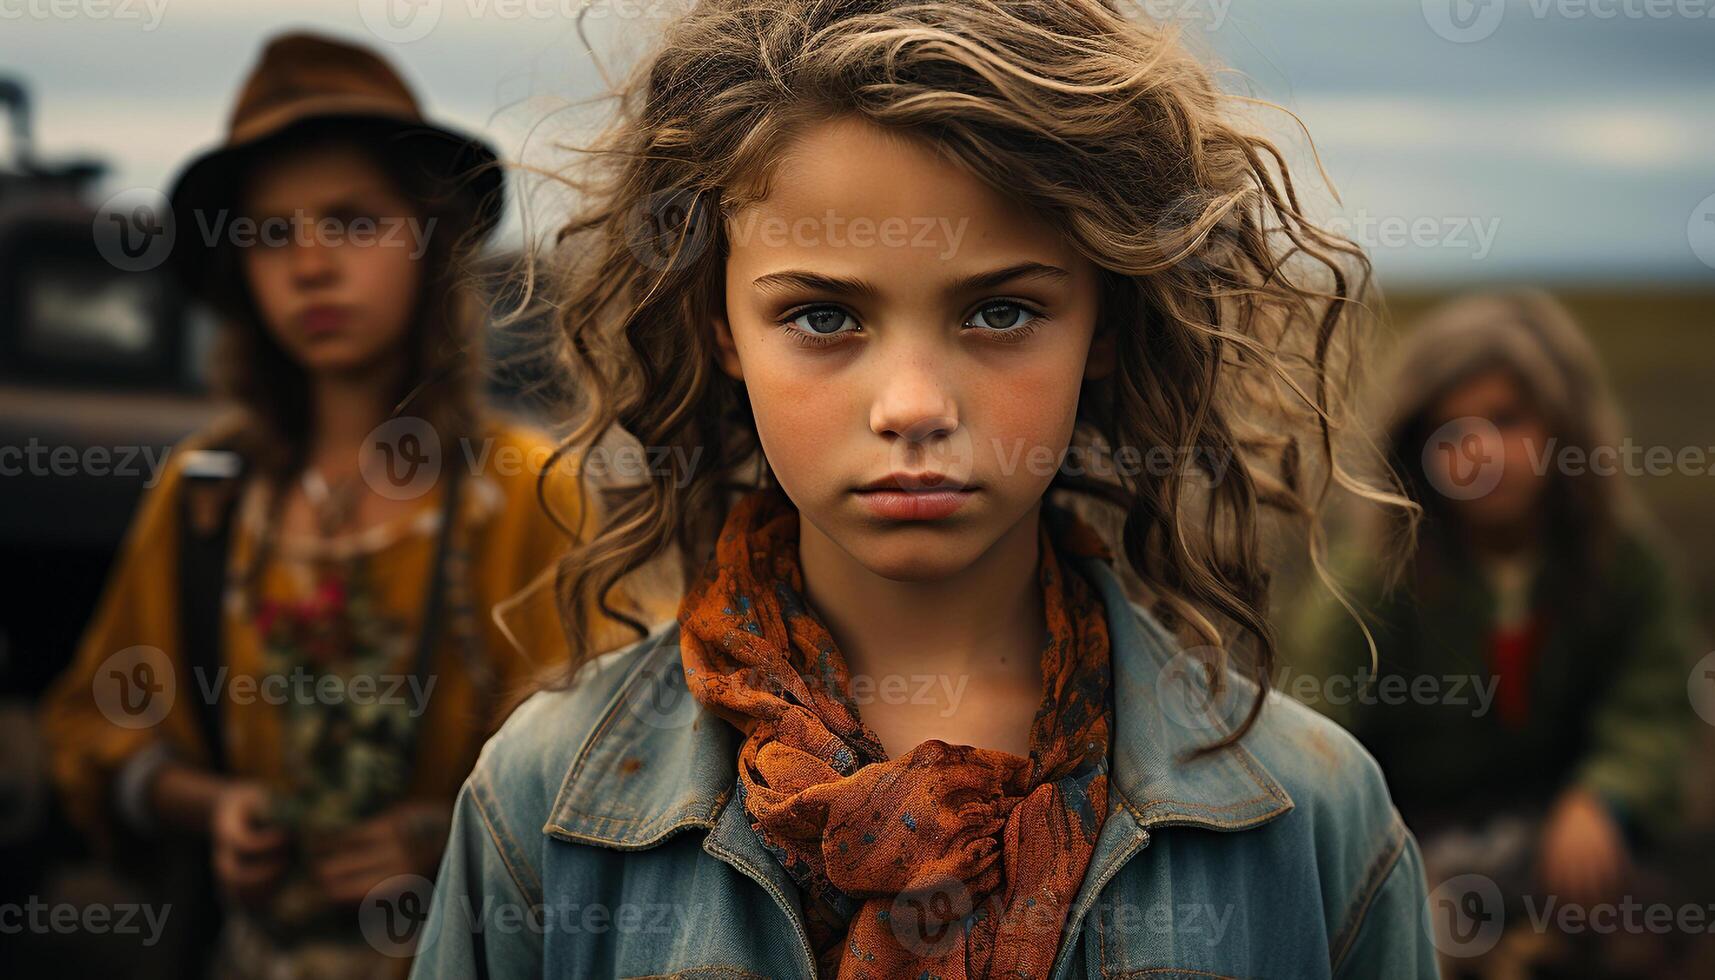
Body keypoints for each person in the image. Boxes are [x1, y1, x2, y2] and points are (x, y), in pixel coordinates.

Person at [412, 2, 1438, 977]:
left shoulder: (1312, 818)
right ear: (716, 326)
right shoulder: (544, 804)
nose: (911, 405)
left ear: (1106, 326)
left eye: (998, 312)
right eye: (822, 317)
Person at [40, 32, 673, 980]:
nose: (310, 264)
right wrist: (202, 804)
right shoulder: (207, 495)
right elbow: (92, 727)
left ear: (432, 243)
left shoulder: (526, 493)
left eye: (352, 222)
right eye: (270, 232)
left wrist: (444, 831)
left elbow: (634, 752)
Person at [1286, 289, 1700, 975]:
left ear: (1563, 429)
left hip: (1562, 830)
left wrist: (1606, 795)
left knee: (1644, 930)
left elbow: (1650, 699)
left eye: (1506, 419)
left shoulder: (1617, 564)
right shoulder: (1376, 577)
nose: (1477, 452)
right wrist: (1369, 852)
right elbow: (1317, 731)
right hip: (1413, 837)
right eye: (1449, 431)